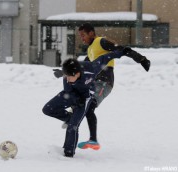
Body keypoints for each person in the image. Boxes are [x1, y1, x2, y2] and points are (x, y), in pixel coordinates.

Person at [53, 23, 151, 151]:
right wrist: (63, 72)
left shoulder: (101, 42)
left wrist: (141, 59)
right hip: (94, 82)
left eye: (83, 35)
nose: (82, 38)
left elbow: (121, 49)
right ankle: (73, 120)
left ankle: (92, 139)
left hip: (104, 82)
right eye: (80, 36)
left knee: (89, 106)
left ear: (91, 33)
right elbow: (80, 66)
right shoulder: (90, 49)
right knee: (81, 100)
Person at [42, 49, 125, 157]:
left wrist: (122, 52)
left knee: (73, 126)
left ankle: (68, 154)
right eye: (65, 76)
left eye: (69, 77)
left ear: (77, 74)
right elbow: (68, 91)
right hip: (70, 94)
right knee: (47, 109)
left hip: (85, 98)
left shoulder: (91, 68)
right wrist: (75, 98)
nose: (67, 79)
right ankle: (69, 118)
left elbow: (106, 57)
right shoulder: (68, 76)